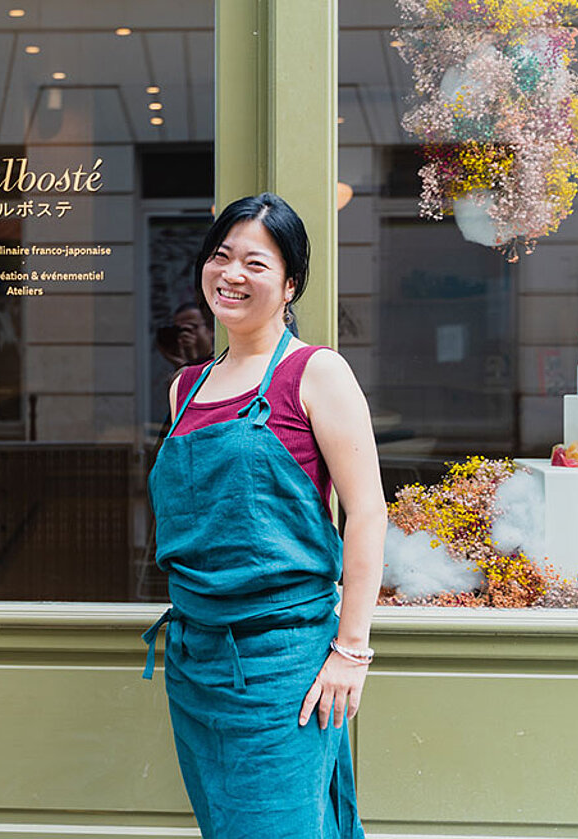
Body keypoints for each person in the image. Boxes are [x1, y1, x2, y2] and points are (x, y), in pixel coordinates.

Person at [142, 193, 386, 838]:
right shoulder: (184, 386)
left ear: (290, 284)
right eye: (220, 257)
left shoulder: (317, 372)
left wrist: (351, 652)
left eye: (255, 262)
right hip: (195, 658)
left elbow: (366, 514)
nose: (231, 274)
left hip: (287, 663)